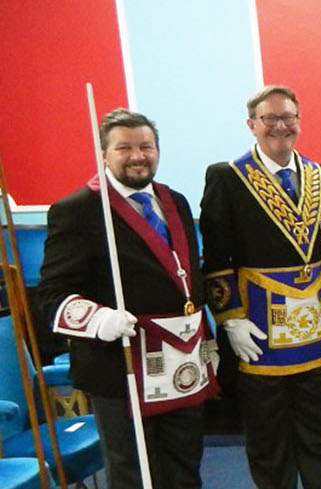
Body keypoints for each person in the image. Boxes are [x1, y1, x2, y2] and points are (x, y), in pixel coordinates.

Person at [37, 108, 218, 488]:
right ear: (104, 154)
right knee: (134, 474)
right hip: (121, 366)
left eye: (146, 146)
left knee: (185, 467)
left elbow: (184, 275)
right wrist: (98, 319)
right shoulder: (77, 210)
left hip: (182, 361)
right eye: (125, 148)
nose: (138, 156)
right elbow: (53, 295)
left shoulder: (175, 201)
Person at [201, 85, 321, 489]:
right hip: (259, 328)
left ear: (299, 122)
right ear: (252, 125)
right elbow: (215, 258)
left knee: (318, 426)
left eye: (288, 117)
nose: (280, 126)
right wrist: (230, 319)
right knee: (268, 434)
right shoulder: (228, 177)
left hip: (314, 325)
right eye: (270, 118)